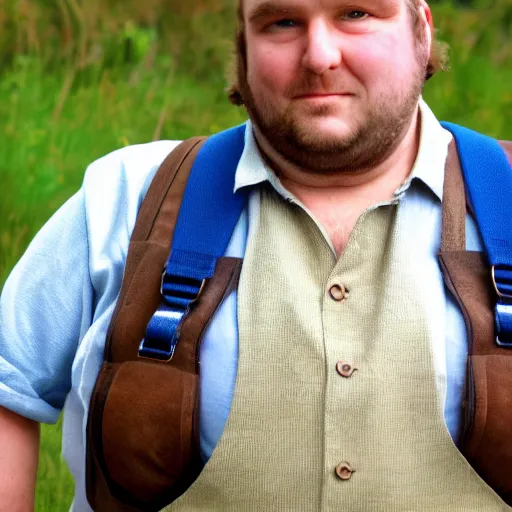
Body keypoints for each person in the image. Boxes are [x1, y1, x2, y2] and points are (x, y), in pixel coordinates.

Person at [0, 0, 510, 510]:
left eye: (355, 14)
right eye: (282, 22)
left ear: (421, 29)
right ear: (243, 47)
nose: (319, 56)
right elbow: (8, 381)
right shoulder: (127, 200)